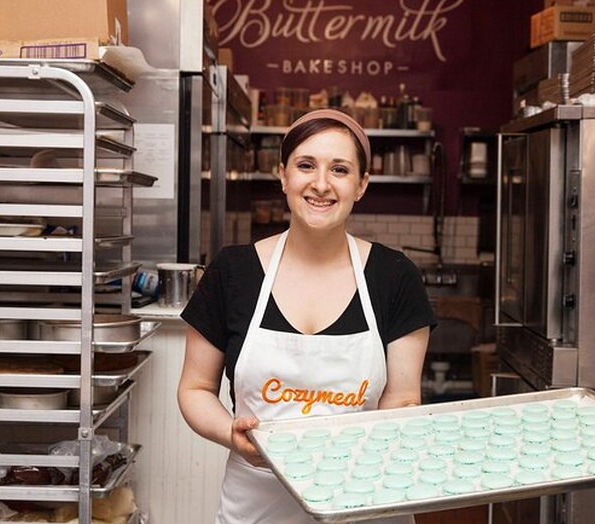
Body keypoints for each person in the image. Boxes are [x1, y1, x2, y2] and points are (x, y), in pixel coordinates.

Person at [178, 108, 436, 524]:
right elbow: (194, 389)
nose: (321, 184)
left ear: (361, 185)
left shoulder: (394, 276)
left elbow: (403, 399)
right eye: (305, 165)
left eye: (339, 169)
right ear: (283, 176)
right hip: (257, 507)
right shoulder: (232, 271)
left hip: (365, 500)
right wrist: (231, 433)